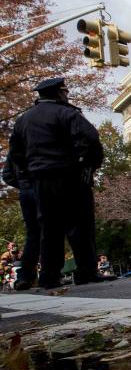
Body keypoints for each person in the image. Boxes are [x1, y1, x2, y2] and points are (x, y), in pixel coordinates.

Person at [6, 77, 109, 290]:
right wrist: (88, 165)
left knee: (49, 228)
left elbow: (15, 153)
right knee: (79, 224)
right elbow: (90, 138)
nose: (67, 95)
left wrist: (29, 171)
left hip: (40, 180)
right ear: (59, 93)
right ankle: (86, 271)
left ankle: (49, 277)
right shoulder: (67, 113)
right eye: (65, 91)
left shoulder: (23, 120)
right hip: (69, 176)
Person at [1, 155, 40, 291]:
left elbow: (7, 174)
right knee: (40, 232)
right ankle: (25, 277)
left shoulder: (18, 253)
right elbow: (4, 263)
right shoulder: (6, 255)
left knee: (35, 233)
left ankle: (29, 276)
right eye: (12, 247)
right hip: (36, 187)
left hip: (27, 188)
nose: (13, 248)